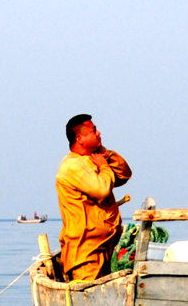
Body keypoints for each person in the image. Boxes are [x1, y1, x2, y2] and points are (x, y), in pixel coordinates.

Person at [54, 114, 132, 283]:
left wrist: (107, 154)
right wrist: (104, 166)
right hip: (86, 251)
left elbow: (124, 175)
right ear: (79, 139)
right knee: (89, 288)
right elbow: (102, 190)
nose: (99, 133)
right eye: (94, 130)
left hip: (106, 244)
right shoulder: (72, 166)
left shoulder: (92, 159)